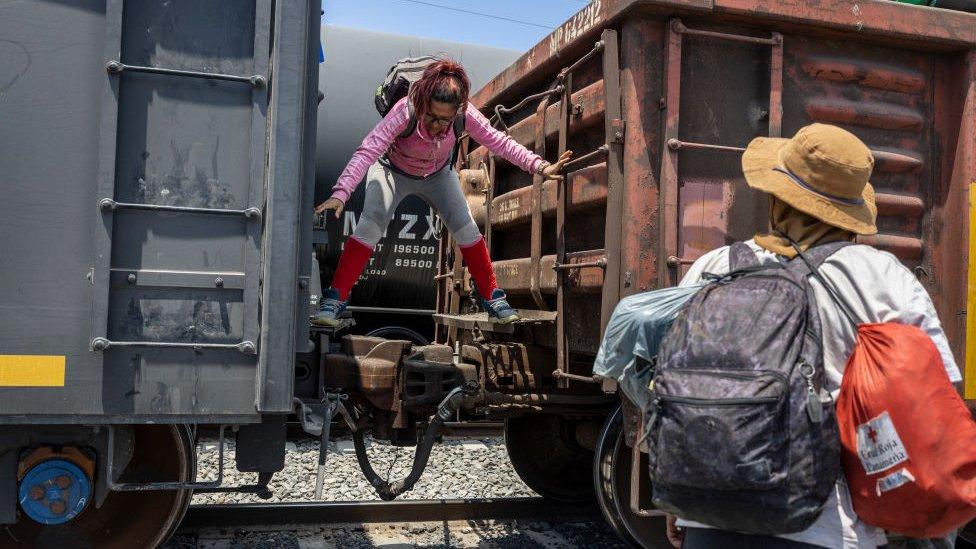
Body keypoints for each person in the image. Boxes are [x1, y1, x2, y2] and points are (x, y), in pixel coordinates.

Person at [665, 123, 962, 549]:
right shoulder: (879, 276)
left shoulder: (713, 267)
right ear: (849, 209)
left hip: (709, 520)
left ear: (777, 196)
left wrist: (682, 505)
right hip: (827, 529)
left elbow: (671, 384)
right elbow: (937, 398)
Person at [313, 59, 571, 326]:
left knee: (467, 229)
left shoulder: (465, 114)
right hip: (392, 171)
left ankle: (494, 297)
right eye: (431, 116)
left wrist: (539, 165)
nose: (437, 125)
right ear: (423, 103)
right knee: (370, 224)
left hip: (437, 175)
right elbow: (369, 149)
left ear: (457, 111)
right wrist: (341, 192)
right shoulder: (405, 110)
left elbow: (499, 142)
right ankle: (334, 299)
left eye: (445, 120)